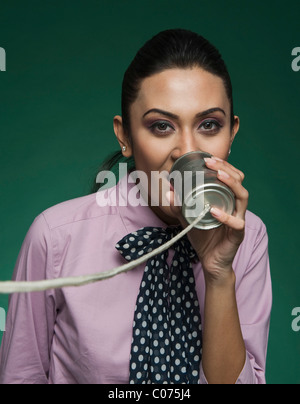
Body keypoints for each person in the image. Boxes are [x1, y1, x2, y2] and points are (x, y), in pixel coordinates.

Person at [0, 29, 272, 384]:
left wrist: (219, 275)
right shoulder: (55, 236)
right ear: (125, 135)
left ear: (231, 134)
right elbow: (21, 376)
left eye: (209, 125)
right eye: (162, 126)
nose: (186, 151)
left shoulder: (248, 237)